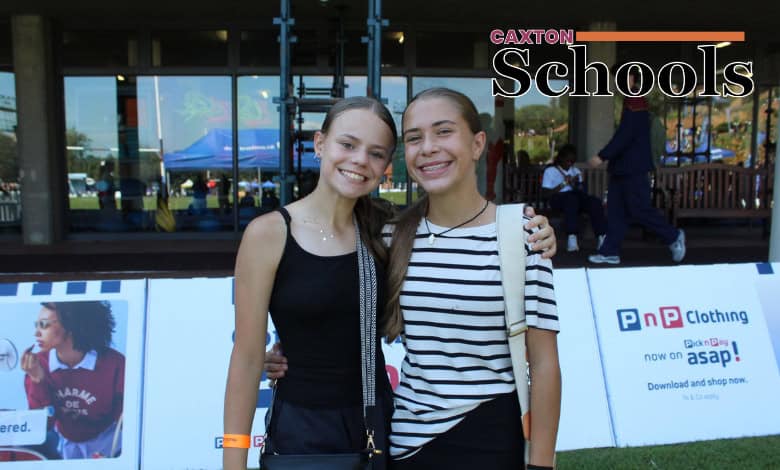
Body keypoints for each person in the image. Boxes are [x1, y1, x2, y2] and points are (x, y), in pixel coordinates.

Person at [225, 96, 558, 470]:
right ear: (320, 144)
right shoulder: (286, 233)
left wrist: (537, 233)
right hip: (329, 434)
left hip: (392, 428)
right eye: (347, 144)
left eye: (376, 152)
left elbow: (543, 362)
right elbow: (253, 353)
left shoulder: (390, 232)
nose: (359, 160)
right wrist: (234, 457)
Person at [588, 68, 686, 265]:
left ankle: (673, 236)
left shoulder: (635, 101)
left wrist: (602, 155)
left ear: (632, 78)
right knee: (616, 211)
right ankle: (610, 251)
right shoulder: (630, 100)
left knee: (639, 209)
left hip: (632, 168)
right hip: (622, 168)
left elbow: (626, 135)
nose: (617, 82)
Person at [21, 301, 124, 459]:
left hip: (110, 444)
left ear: (71, 326)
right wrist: (37, 380)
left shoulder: (115, 364)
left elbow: (127, 421)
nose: (36, 333)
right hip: (65, 445)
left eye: (44, 325)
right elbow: (43, 426)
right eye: (37, 324)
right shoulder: (38, 364)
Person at [542, 144, 607, 252]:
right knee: (571, 201)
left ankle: (602, 237)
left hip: (575, 197)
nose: (570, 164)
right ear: (561, 158)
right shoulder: (550, 171)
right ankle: (572, 237)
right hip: (558, 198)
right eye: (567, 160)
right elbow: (546, 193)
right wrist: (563, 184)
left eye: (572, 161)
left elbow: (582, 192)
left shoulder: (575, 171)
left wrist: (575, 184)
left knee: (594, 202)